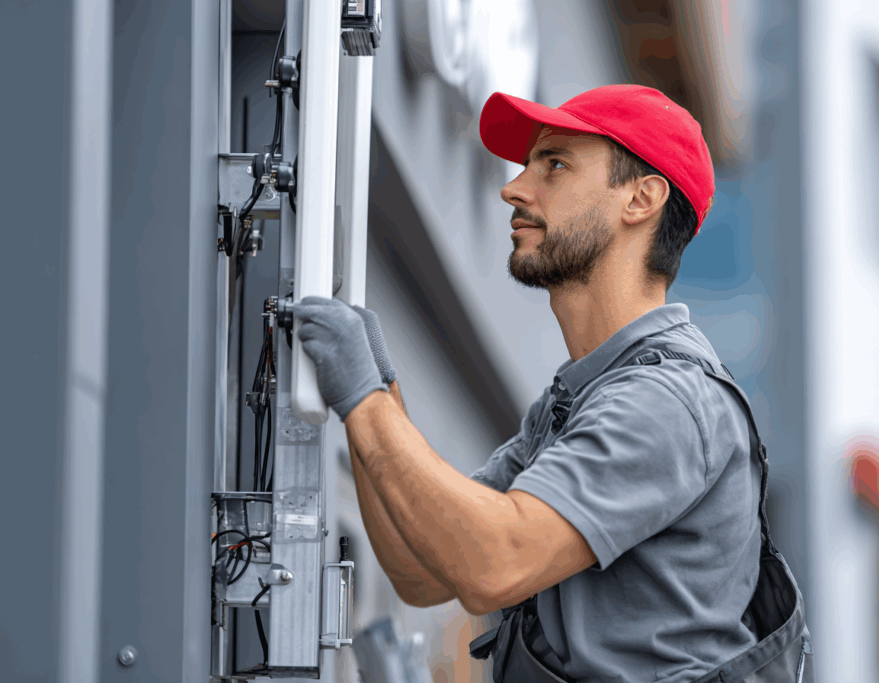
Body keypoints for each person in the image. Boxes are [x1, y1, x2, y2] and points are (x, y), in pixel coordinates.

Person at [294, 85, 764, 683]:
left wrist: (365, 402)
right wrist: (381, 396)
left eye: (556, 165)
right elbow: (421, 569)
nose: (513, 188)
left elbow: (494, 565)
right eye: (527, 165)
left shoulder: (665, 401)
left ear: (641, 199)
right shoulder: (576, 401)